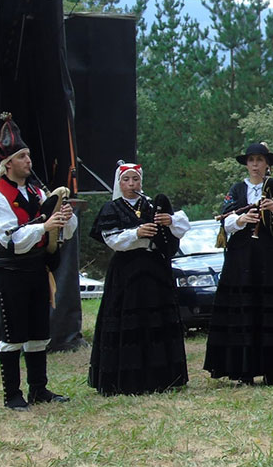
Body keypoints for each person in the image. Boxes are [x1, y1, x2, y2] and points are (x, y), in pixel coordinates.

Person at [0, 113, 77, 411]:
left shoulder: (35, 191)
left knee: (38, 332)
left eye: (29, 155)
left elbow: (60, 230)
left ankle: (39, 389)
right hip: (11, 270)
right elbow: (11, 239)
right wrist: (44, 226)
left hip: (37, 268)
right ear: (7, 163)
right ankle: (12, 395)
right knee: (14, 334)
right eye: (23, 156)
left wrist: (66, 219)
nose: (29, 161)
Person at [203, 142, 273, 386]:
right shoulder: (237, 189)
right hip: (242, 258)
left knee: (270, 309)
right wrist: (241, 220)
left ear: (267, 164)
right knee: (243, 307)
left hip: (270, 255)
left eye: (260, 160)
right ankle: (243, 370)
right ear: (247, 164)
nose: (255, 165)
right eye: (251, 161)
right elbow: (224, 223)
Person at [88, 162, 191, 395]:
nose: (131, 184)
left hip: (155, 268)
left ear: (141, 182)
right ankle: (125, 380)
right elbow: (112, 240)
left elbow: (182, 227)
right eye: (126, 180)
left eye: (135, 180)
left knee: (156, 319)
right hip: (127, 271)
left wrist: (170, 221)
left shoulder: (153, 205)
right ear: (119, 183)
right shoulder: (111, 208)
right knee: (128, 319)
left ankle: (161, 378)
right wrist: (137, 233)